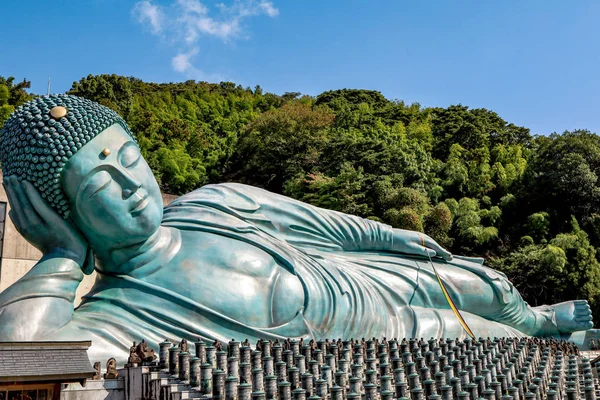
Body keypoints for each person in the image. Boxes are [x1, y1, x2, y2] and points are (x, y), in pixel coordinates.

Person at [0, 95, 596, 363]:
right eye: (102, 186)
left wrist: (390, 236)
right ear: (61, 213)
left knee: (484, 285)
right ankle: (549, 342)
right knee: (480, 341)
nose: (133, 186)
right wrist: (59, 257)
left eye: (129, 159)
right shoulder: (115, 311)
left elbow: (324, 224)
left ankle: (539, 317)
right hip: (374, 338)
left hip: (359, 278)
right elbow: (21, 353)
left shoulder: (214, 202)